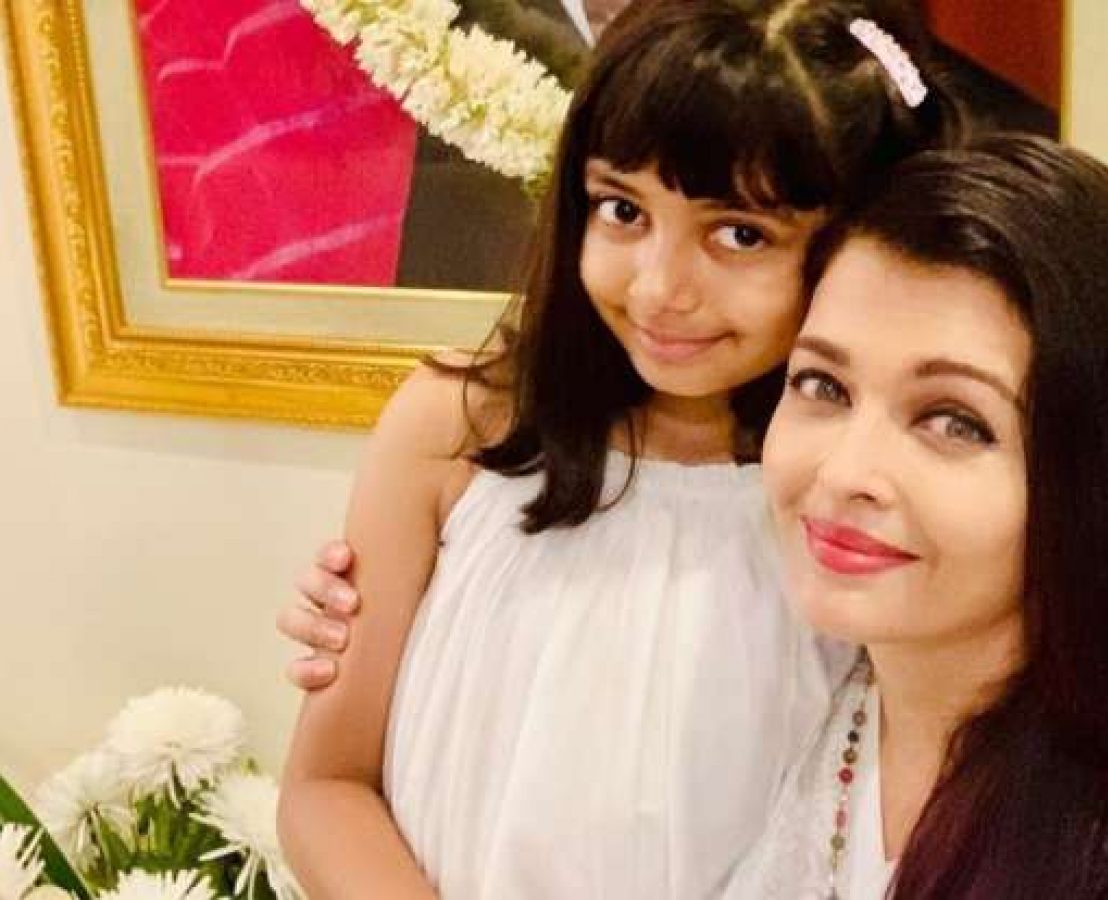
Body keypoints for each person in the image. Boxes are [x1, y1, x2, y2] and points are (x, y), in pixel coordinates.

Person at [276, 1, 960, 897]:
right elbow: (326, 786)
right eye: (622, 209)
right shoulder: (458, 425)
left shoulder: (861, 499)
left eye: (739, 233)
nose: (659, 287)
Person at [723, 134, 1108, 897]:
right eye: (823, 386)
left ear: (1097, 473)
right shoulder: (808, 703)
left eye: (953, 421)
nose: (843, 474)